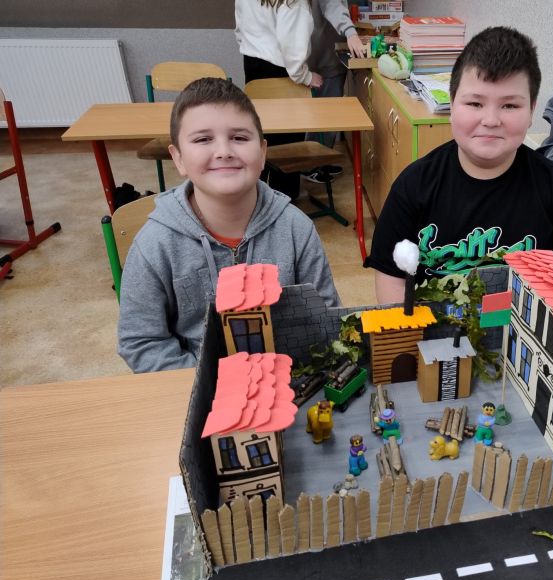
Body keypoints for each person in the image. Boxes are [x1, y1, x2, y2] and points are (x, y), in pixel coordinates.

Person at [118, 78, 340, 373]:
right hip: (197, 385)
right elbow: (141, 341)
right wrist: (209, 382)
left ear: (262, 152)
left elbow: (325, 316)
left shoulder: (296, 228)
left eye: (239, 137)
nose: (224, 151)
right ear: (178, 158)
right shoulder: (154, 244)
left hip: (287, 379)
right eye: (203, 140)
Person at [365, 26, 553, 304]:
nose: (491, 120)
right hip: (430, 328)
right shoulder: (413, 186)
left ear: (532, 110)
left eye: (510, 106)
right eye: (475, 103)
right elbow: (391, 284)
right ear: (451, 105)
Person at [235, 0, 321, 198]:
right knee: (287, 143)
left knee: (261, 134)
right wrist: (306, 76)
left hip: (252, 63)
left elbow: (240, 27)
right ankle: (283, 199)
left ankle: (256, 197)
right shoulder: (294, 3)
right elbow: (292, 45)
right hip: (281, 70)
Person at [303, 0, 367, 183]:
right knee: (323, 118)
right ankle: (310, 166)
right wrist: (351, 32)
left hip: (327, 57)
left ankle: (320, 162)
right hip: (322, 60)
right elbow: (332, 6)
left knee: (325, 118)